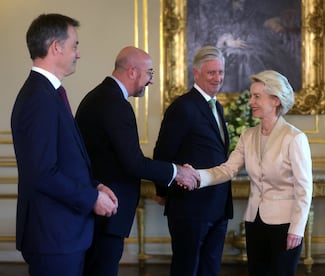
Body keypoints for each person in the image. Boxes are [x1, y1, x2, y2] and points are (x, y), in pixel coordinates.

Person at [75, 46, 199, 276]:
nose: (151, 81)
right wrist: (177, 172)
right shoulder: (114, 104)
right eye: (149, 73)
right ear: (132, 71)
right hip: (108, 209)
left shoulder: (98, 96)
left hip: (96, 205)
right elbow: (134, 163)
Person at [10, 13, 118, 276]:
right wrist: (91, 197)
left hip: (62, 234)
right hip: (53, 237)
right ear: (56, 47)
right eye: (74, 45)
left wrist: (95, 185)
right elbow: (43, 173)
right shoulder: (39, 98)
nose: (77, 54)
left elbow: (65, 161)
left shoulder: (47, 93)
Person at [196, 70, 313, 276]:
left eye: (257, 96)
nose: (251, 102)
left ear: (275, 100)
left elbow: (304, 188)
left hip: (285, 224)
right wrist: (197, 176)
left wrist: (297, 228)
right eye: (251, 96)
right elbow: (227, 169)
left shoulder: (294, 138)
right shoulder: (248, 135)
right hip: (254, 220)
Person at [153, 45, 233, 276]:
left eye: (221, 72)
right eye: (211, 73)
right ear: (196, 73)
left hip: (217, 205)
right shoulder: (183, 107)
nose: (217, 78)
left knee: (210, 268)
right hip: (190, 207)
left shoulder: (217, 106)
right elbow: (163, 152)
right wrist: (162, 191)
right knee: (186, 269)